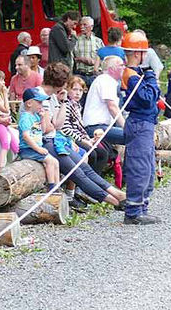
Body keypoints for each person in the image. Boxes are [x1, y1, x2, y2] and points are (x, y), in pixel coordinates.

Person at [41, 64, 125, 209]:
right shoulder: (40, 98)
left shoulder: (54, 98)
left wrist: (63, 102)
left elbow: (57, 125)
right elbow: (48, 128)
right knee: (77, 172)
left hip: (57, 139)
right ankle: (114, 201)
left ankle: (117, 194)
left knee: (85, 168)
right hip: (45, 142)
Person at [120, 31, 163, 225]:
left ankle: (142, 207)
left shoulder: (136, 74)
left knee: (148, 167)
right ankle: (133, 211)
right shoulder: (132, 76)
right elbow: (147, 99)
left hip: (144, 123)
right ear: (139, 54)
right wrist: (152, 77)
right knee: (140, 167)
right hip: (139, 123)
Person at [64, 76, 122, 189]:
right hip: (71, 138)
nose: (78, 93)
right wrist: (83, 139)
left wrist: (88, 139)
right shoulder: (66, 105)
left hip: (80, 136)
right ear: (68, 89)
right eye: (74, 89)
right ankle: (83, 186)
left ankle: (94, 184)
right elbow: (67, 129)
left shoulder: (77, 105)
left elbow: (80, 127)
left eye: (80, 90)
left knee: (103, 153)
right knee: (92, 154)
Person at [17, 87, 60, 189]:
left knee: (55, 162)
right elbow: (26, 136)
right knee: (50, 161)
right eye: (39, 102)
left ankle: (57, 186)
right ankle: (51, 186)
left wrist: (42, 117)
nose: (42, 105)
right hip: (28, 149)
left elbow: (43, 130)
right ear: (29, 104)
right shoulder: (25, 117)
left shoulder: (36, 116)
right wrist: (38, 149)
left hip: (36, 148)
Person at [83, 55, 126, 145]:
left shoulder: (107, 81)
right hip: (96, 128)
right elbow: (112, 107)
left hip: (101, 126)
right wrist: (126, 127)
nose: (124, 68)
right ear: (111, 69)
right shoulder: (106, 80)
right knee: (134, 137)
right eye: (121, 65)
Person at [73, 16, 103, 84]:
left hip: (94, 75)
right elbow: (70, 58)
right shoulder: (75, 40)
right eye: (81, 25)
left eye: (85, 25)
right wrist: (80, 59)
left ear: (91, 27)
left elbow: (104, 59)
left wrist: (95, 63)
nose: (82, 27)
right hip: (80, 75)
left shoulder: (98, 41)